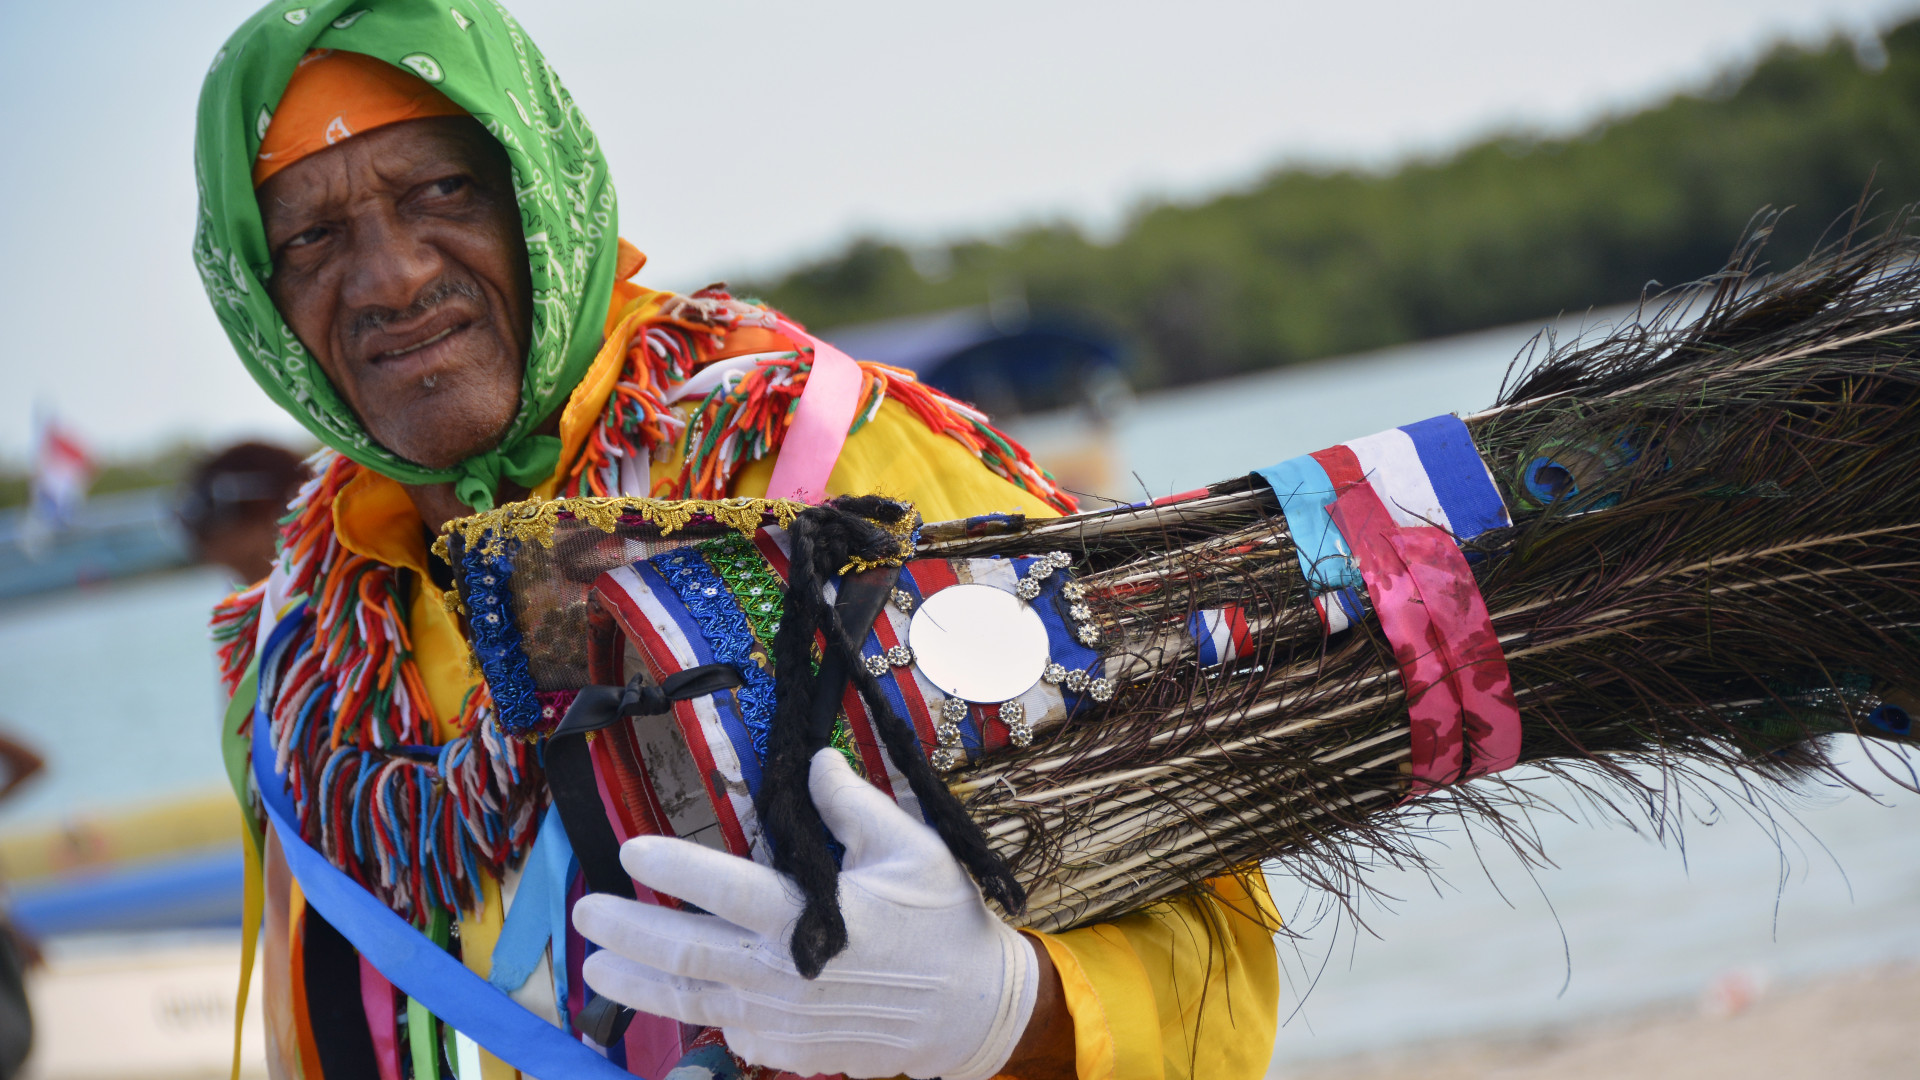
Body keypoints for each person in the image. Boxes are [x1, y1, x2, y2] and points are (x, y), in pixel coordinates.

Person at [195, 5, 1278, 1079]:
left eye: (442, 190)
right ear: (256, 294)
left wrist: (1007, 1014)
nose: (389, 277)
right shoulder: (307, 660)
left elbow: (1209, 938)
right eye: (310, 238)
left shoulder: (812, 456)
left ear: (540, 189)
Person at [176, 441, 310, 583]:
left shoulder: (320, 589)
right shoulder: (239, 591)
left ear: (266, 511)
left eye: (213, 508)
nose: (202, 532)